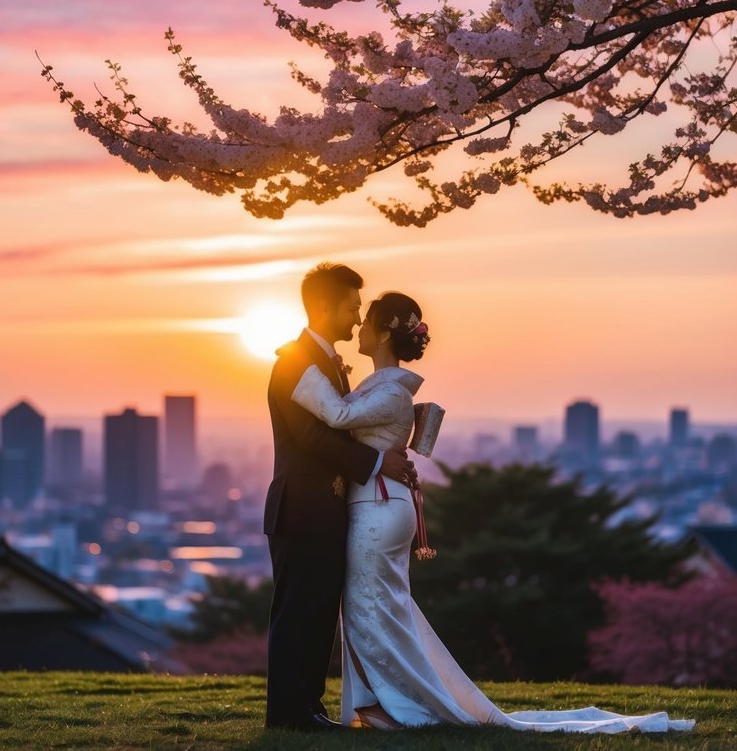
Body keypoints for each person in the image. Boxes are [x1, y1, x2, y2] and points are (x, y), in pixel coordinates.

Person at [291, 290, 694, 735]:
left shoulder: (391, 391)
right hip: (377, 506)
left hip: (379, 509)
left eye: (366, 320)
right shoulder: (383, 385)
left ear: (385, 330)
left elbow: (339, 415)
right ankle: (385, 701)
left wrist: (300, 373)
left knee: (372, 606)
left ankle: (398, 705)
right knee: (375, 606)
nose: (359, 329)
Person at [263, 263, 415, 731]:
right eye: (351, 307)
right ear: (326, 306)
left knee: (319, 612)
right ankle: (289, 714)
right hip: (302, 508)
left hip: (326, 509)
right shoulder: (294, 360)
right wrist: (375, 463)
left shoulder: (325, 361)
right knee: (298, 612)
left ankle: (308, 707)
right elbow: (312, 436)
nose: (356, 317)